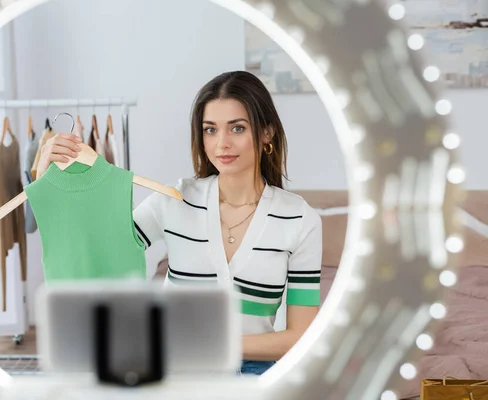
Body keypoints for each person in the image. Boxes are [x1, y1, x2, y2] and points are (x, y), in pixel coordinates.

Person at [36, 71, 322, 376]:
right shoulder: (174, 200)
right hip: (175, 369)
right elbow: (97, 250)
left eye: (237, 128)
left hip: (252, 373)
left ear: (267, 133)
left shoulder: (301, 220)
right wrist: (45, 181)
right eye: (210, 130)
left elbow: (299, 338)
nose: (221, 143)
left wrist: (210, 343)